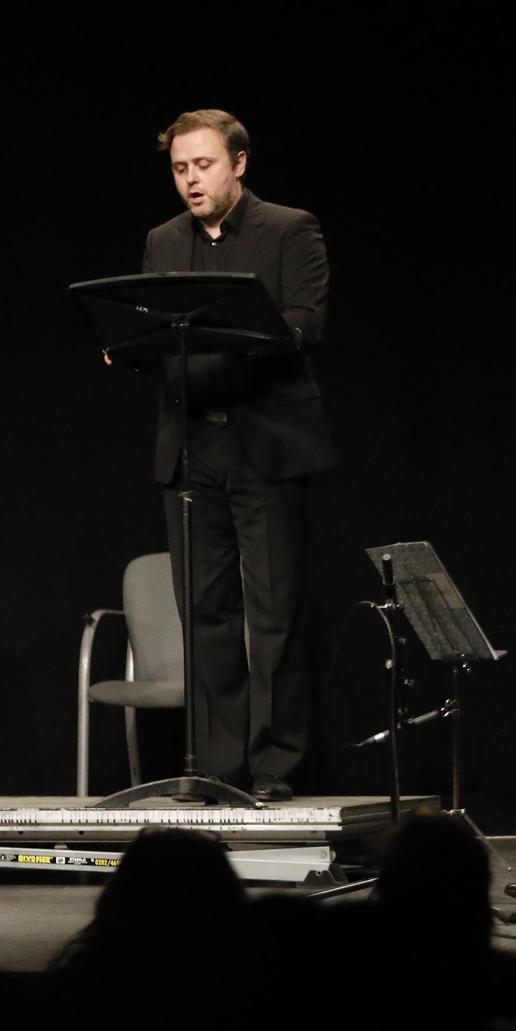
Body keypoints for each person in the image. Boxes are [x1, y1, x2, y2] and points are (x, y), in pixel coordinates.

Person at [141, 110, 331, 801]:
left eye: (204, 165)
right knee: (205, 610)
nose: (192, 180)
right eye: (180, 168)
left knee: (273, 610)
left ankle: (277, 766)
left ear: (239, 164)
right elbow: (151, 331)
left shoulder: (288, 227)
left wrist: (241, 329)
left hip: (265, 440)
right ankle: (221, 767)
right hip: (193, 442)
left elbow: (308, 322)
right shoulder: (163, 241)